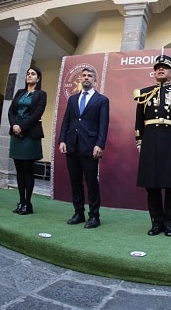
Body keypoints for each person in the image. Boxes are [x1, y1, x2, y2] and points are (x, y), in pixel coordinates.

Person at [133, 54, 171, 237]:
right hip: (150, 141)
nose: (161, 69)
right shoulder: (144, 93)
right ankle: (156, 222)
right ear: (154, 72)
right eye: (158, 67)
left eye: (165, 67)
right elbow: (138, 122)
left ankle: (169, 223)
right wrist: (140, 142)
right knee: (151, 185)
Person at [58, 66, 109, 229]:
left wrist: (99, 144)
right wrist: (62, 140)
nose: (86, 78)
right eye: (84, 75)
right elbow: (66, 121)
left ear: (95, 80)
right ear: (80, 79)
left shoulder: (102, 100)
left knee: (91, 182)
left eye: (90, 76)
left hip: (90, 147)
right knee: (75, 182)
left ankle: (94, 216)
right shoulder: (72, 99)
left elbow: (103, 125)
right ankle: (78, 213)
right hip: (71, 146)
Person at [8, 66, 47, 215]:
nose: (30, 76)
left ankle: (28, 204)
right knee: (19, 170)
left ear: (38, 78)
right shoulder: (19, 93)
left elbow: (37, 113)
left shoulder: (41, 94)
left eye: (33, 74)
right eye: (28, 74)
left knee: (27, 170)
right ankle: (21, 202)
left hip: (29, 135)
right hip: (16, 134)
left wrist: (22, 127)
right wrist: (14, 126)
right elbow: (11, 111)